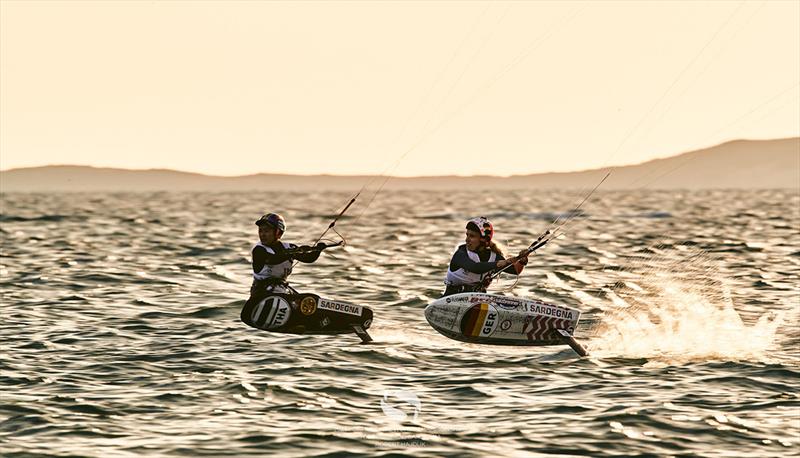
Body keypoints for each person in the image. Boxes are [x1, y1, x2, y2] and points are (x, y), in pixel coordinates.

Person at [442, 216, 529, 297]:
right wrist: (498, 263)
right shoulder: (461, 254)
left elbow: (515, 270)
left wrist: (522, 260)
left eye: (472, 236)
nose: (467, 239)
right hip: (450, 299)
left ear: (484, 240)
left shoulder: (493, 256)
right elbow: (474, 267)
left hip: (478, 301)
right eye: (467, 235)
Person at [248, 212, 326, 300]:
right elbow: (274, 259)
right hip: (261, 295)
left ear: (278, 233)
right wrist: (293, 252)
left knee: (313, 299)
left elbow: (308, 259)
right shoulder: (259, 250)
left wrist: (318, 250)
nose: (262, 234)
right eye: (260, 230)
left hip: (282, 292)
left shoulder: (289, 247)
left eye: (266, 231)